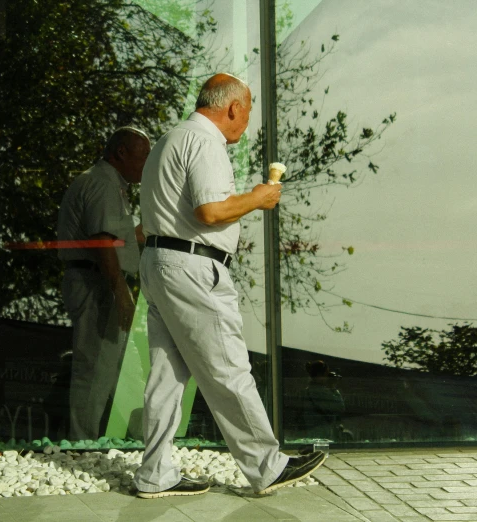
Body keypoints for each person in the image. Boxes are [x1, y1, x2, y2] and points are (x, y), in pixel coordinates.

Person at [133, 73, 326, 499]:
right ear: (234, 107)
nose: (248, 120)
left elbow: (142, 226)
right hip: (193, 266)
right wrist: (259, 197)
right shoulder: (205, 141)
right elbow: (211, 211)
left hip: (160, 262)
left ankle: (155, 473)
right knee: (228, 367)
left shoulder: (168, 140)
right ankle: (267, 466)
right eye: (250, 110)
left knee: (167, 374)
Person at [57, 127, 151, 440]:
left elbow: (114, 239)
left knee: (122, 369)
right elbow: (102, 243)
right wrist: (121, 293)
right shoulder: (101, 184)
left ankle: (142, 437)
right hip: (96, 281)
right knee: (95, 368)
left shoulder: (108, 185)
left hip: (99, 279)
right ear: (121, 153)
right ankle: (81, 443)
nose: (147, 163)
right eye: (143, 155)